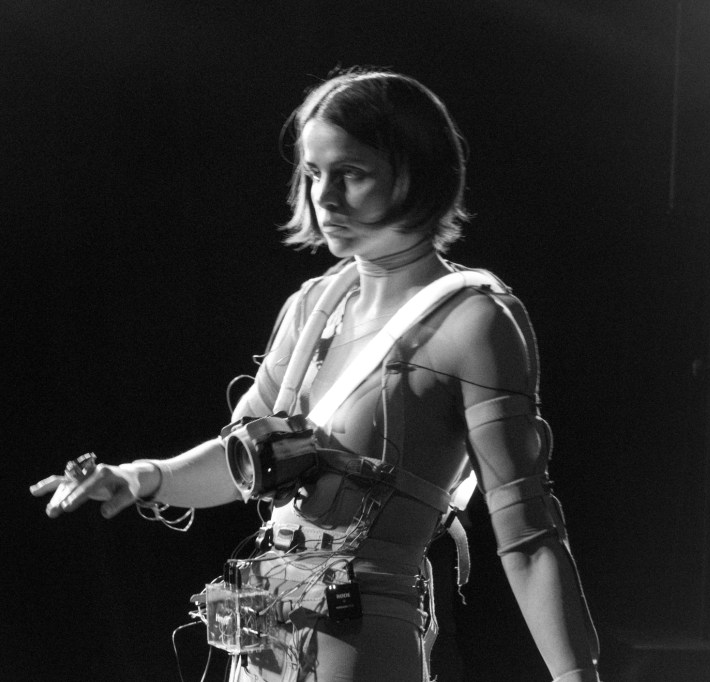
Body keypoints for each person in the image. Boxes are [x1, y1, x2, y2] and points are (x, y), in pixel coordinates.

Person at [31, 68, 601, 682]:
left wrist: (577, 676)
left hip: (362, 642)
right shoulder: (314, 307)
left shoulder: (476, 324)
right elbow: (236, 463)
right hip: (263, 643)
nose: (324, 198)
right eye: (312, 173)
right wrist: (139, 477)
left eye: (351, 173)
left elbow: (530, 539)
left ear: (416, 174)